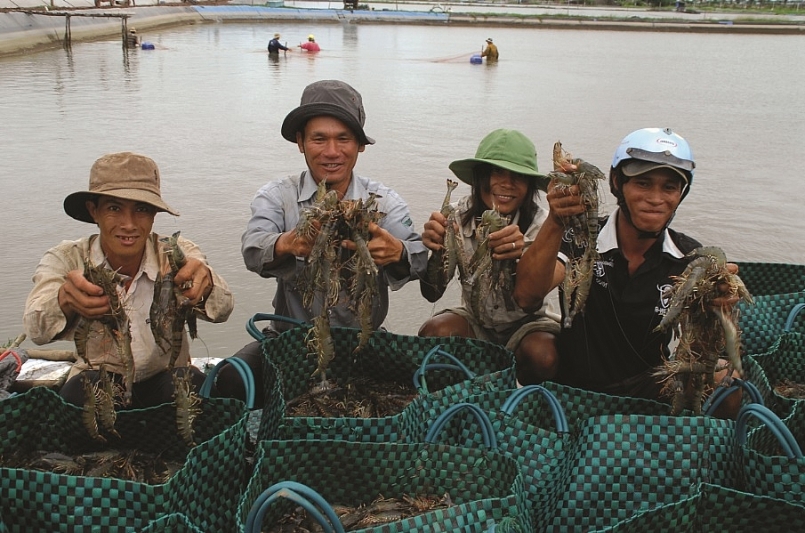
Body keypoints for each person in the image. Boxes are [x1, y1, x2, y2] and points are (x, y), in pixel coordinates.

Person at [222, 79, 428, 407]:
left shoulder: (384, 202)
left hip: (363, 342)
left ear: (359, 145)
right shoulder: (277, 197)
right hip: (289, 339)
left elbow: (420, 256)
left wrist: (398, 252)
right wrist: (287, 243)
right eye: (319, 139)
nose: (332, 152)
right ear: (300, 142)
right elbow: (253, 247)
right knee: (230, 378)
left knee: (421, 386)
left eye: (343, 138)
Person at [513, 128, 741, 417]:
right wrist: (556, 221)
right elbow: (527, 296)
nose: (655, 198)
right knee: (536, 349)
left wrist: (717, 307)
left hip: (648, 387)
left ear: (681, 194)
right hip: (573, 384)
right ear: (616, 183)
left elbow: (699, 349)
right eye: (643, 183)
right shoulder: (580, 236)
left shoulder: (690, 258)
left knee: (727, 381)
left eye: (669, 187)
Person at [23, 152, 234, 408]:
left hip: (166, 377)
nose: (129, 224)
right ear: (93, 211)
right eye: (114, 208)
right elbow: (36, 330)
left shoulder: (176, 252)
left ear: (154, 214)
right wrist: (64, 300)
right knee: (81, 392)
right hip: (100, 378)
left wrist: (205, 284)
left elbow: (223, 309)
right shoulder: (67, 258)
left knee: (191, 384)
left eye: (141, 209)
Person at [418, 129, 561, 385]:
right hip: (477, 320)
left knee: (544, 355)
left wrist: (520, 256)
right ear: (480, 176)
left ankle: (527, 402)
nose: (507, 183)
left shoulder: (542, 226)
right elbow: (432, 292)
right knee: (434, 332)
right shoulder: (457, 216)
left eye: (518, 176)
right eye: (497, 172)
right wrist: (436, 249)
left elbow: (529, 302)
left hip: (528, 324)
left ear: (530, 185)